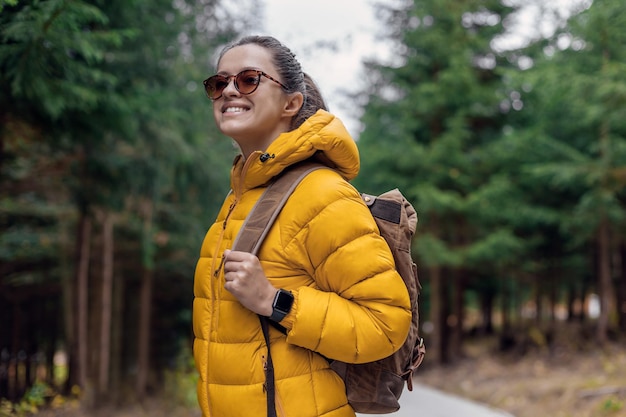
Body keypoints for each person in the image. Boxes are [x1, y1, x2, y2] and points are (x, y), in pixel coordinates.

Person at [192, 35, 411, 417]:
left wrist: (275, 302)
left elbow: (385, 323)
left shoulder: (321, 194)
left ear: (291, 103)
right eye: (219, 82)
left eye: (248, 79)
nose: (229, 90)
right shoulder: (240, 199)